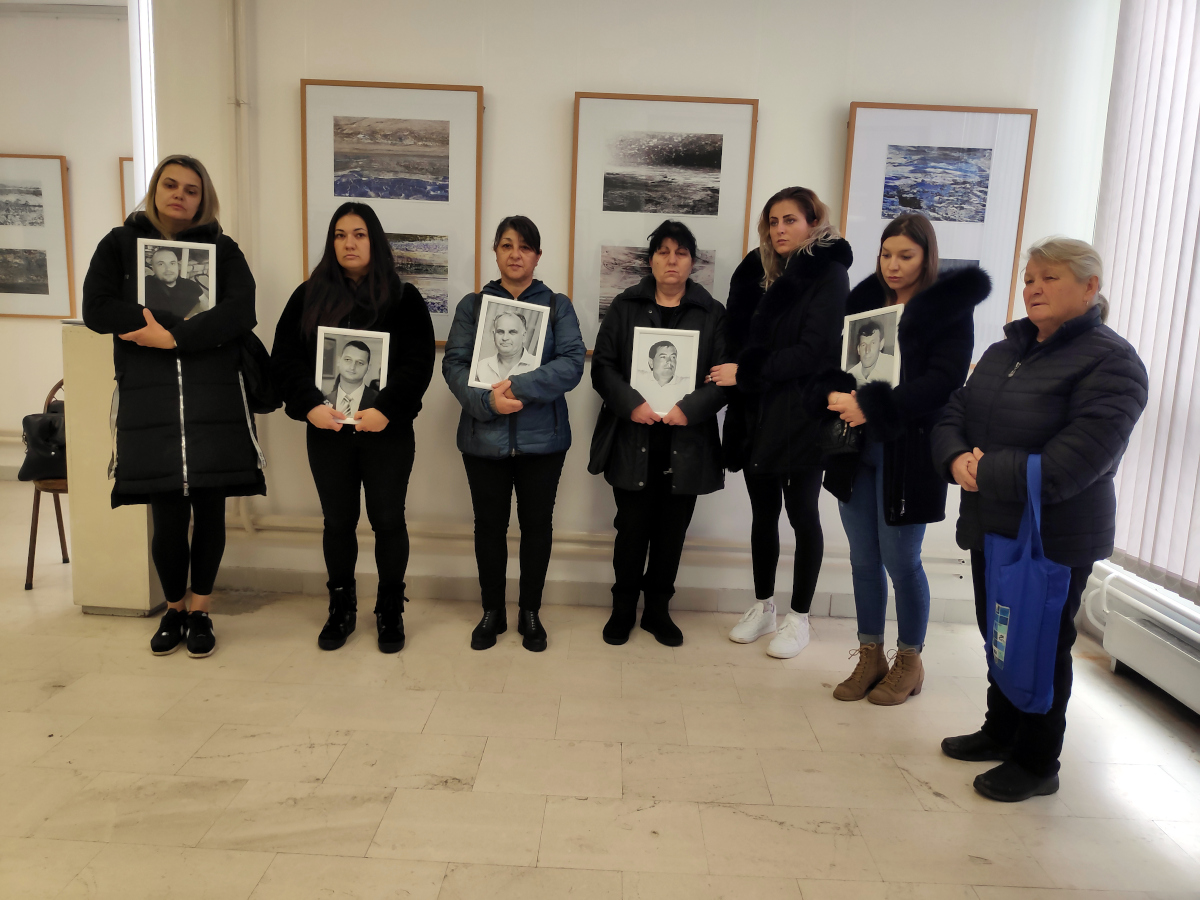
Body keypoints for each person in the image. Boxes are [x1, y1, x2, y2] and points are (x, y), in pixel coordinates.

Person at [932, 236, 1147, 801]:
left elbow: (1074, 464)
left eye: (1050, 277)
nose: (1034, 288)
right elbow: (955, 410)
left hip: (1055, 536)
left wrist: (984, 470)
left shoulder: (1114, 362)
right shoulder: (1005, 350)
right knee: (999, 633)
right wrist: (955, 458)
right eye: (1029, 278)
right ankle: (1000, 730)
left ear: (1090, 287)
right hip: (992, 524)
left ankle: (1036, 762)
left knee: (1041, 644)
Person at [82, 154, 262, 659]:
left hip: (214, 396)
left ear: (204, 198)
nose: (180, 195)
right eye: (170, 185)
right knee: (165, 514)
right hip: (149, 398)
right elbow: (96, 308)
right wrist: (154, 325)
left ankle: (201, 610)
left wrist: (175, 338)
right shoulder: (119, 244)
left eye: (191, 188)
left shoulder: (222, 250)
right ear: (155, 189)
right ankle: (174, 609)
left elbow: (241, 311)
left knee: (210, 509)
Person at [814, 213, 991, 705]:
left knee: (901, 560)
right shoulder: (865, 299)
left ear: (927, 257)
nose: (893, 265)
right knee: (863, 559)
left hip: (911, 452)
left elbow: (944, 382)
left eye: (905, 256)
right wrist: (834, 394)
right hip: (855, 449)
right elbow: (838, 363)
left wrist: (872, 406)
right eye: (886, 254)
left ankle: (909, 660)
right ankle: (870, 655)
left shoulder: (949, 307)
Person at [271, 202, 434, 654]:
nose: (349, 243)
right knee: (338, 522)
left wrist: (387, 410)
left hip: (387, 433)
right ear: (332, 243)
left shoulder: (404, 298)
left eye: (359, 234)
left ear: (374, 241)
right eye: (340, 235)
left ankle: (390, 608)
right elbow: (285, 359)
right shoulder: (308, 296)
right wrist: (309, 407)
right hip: (328, 432)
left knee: (388, 520)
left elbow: (418, 364)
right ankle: (340, 607)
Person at [710, 186, 852, 658]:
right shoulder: (759, 270)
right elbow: (741, 337)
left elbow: (814, 351)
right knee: (763, 512)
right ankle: (764, 606)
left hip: (802, 414)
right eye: (773, 221)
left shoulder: (829, 273)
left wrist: (746, 372)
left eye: (790, 219)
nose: (780, 229)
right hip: (758, 412)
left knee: (803, 514)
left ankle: (800, 617)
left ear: (813, 222)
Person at [443, 216, 585, 652]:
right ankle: (492, 611)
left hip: (544, 442)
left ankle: (530, 612)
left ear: (537, 256)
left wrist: (516, 387)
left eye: (525, 247)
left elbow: (572, 362)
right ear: (496, 252)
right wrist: (489, 403)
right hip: (483, 440)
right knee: (488, 527)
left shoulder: (558, 305)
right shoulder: (473, 306)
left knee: (537, 527)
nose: (515, 254)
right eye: (506, 245)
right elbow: (454, 364)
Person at [591, 220, 728, 646]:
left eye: (681, 253)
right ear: (650, 260)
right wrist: (632, 403)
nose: (672, 260)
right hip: (634, 437)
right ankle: (622, 608)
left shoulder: (712, 312)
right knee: (631, 530)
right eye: (663, 251)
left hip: (686, 442)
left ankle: (657, 611)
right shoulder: (625, 306)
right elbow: (603, 367)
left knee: (672, 533)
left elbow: (723, 378)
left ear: (692, 262)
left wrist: (690, 409)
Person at [474, 310, 540, 383]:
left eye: (512, 332)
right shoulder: (481, 366)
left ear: (524, 336)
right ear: (493, 335)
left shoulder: (538, 366)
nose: (505, 338)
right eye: (500, 332)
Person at [143, 246, 205, 319]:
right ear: (153, 268)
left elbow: (207, 307)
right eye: (161, 264)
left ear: (177, 266)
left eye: (172, 263)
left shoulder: (191, 285)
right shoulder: (146, 285)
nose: (168, 269)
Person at [324, 339, 380, 417]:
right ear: (338, 361)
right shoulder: (324, 400)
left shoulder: (379, 400)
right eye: (348, 359)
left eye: (360, 363)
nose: (352, 367)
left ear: (368, 368)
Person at [638, 339, 685, 414]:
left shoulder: (687, 383)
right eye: (663, 357)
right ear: (651, 362)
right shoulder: (638, 377)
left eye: (673, 357)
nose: (669, 361)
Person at [846, 318, 895, 386]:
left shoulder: (893, 366)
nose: (867, 350)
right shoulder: (851, 375)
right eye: (863, 345)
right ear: (858, 349)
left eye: (873, 343)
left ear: (881, 344)